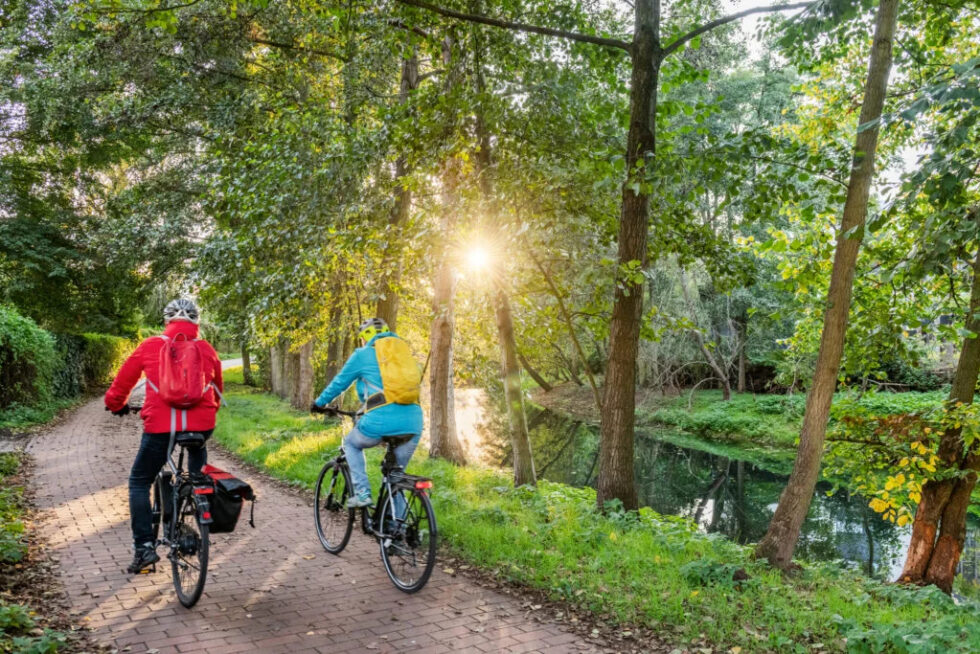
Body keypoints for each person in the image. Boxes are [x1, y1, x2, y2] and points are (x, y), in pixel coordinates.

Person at [104, 298, 223, 574]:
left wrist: (116, 405)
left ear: (166, 321)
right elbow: (217, 388)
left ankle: (144, 549)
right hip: (200, 425)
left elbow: (122, 383)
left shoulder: (150, 346)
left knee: (139, 481)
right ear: (197, 322)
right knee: (197, 459)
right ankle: (196, 490)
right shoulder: (206, 349)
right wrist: (207, 414)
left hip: (161, 426)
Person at [310, 317, 423, 508]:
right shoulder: (403, 354)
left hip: (380, 420)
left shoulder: (362, 355)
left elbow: (340, 382)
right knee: (396, 478)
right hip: (414, 422)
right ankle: (397, 532)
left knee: (351, 444)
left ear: (365, 337)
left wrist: (319, 403)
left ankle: (362, 492)